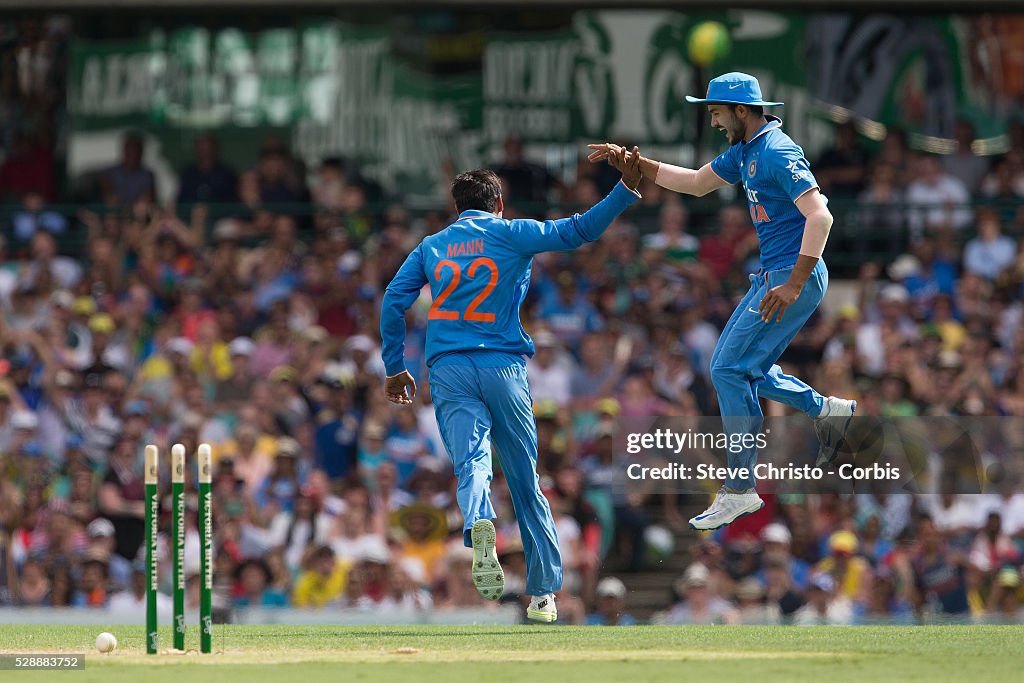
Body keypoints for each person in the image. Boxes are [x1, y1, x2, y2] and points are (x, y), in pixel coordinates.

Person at [380, 155, 643, 623]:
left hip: (447, 367)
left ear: (456, 206)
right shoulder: (511, 230)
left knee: (472, 462)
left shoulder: (432, 246)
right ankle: (542, 595)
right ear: (498, 203)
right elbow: (580, 230)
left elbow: (394, 299)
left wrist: (395, 366)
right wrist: (624, 189)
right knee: (526, 482)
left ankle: (480, 519)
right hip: (503, 365)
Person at [588, 72, 856, 530]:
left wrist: (793, 283)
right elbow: (694, 183)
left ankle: (740, 488)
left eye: (715, 112)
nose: (713, 122)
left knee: (727, 370)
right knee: (741, 370)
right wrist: (636, 164)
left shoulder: (777, 150)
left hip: (789, 278)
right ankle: (826, 411)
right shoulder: (746, 150)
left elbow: (821, 217)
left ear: (740, 110)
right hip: (773, 278)